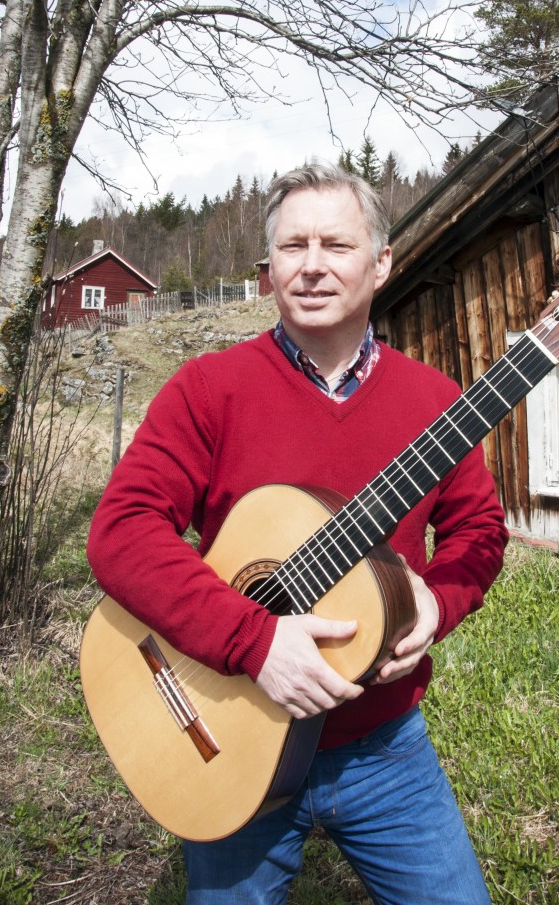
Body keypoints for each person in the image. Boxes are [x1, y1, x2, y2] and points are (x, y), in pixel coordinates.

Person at [87, 162, 509, 904]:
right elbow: (121, 531)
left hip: (383, 748)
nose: (311, 265)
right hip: (226, 725)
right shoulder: (208, 389)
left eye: (336, 246)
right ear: (268, 269)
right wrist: (253, 641)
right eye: (292, 246)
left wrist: (439, 604)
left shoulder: (434, 402)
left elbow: (478, 528)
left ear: (381, 263)